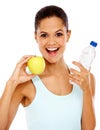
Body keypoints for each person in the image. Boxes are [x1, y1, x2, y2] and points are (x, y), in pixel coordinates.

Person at [0, 5, 96, 130]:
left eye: (58, 34)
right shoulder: (26, 83)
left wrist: (87, 89)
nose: (51, 42)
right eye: (44, 35)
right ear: (36, 37)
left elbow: (88, 129)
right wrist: (11, 83)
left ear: (68, 35)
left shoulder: (85, 79)